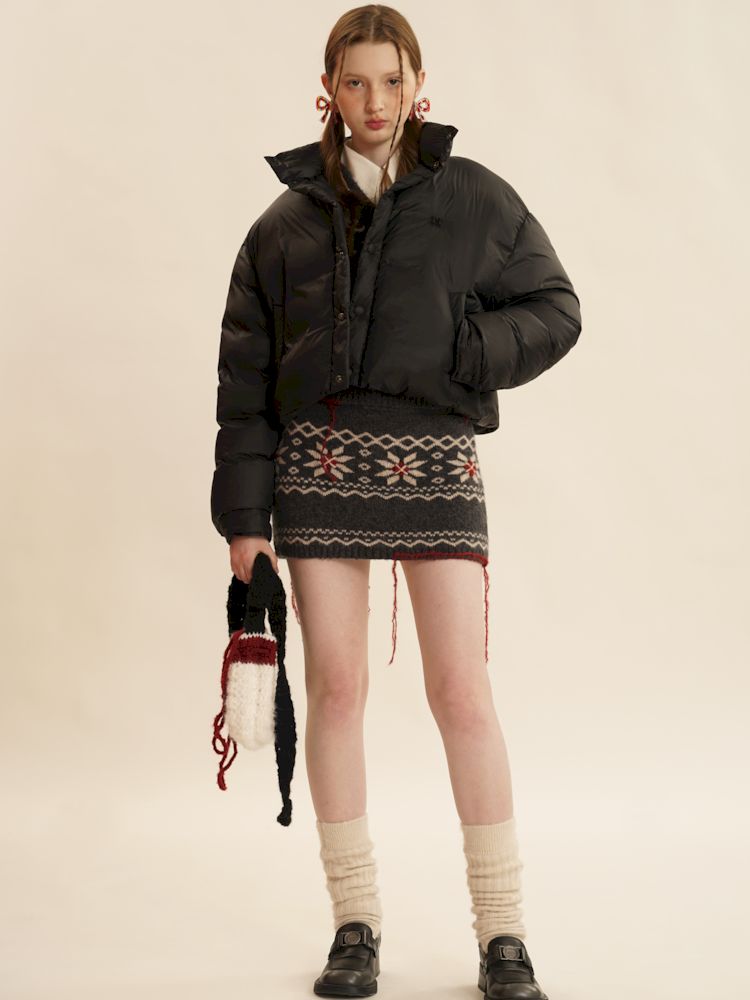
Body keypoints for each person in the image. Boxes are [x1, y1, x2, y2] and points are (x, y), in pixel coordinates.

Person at [210, 5, 581, 997]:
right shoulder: (282, 227)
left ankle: (503, 934)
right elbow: (244, 384)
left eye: (391, 79)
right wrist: (245, 523)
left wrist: (467, 350)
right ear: (327, 91)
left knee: (462, 693)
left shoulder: (476, 200)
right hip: (317, 471)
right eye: (355, 81)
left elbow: (557, 308)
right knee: (337, 690)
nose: (374, 101)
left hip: (437, 465)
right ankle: (355, 923)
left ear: (420, 85)